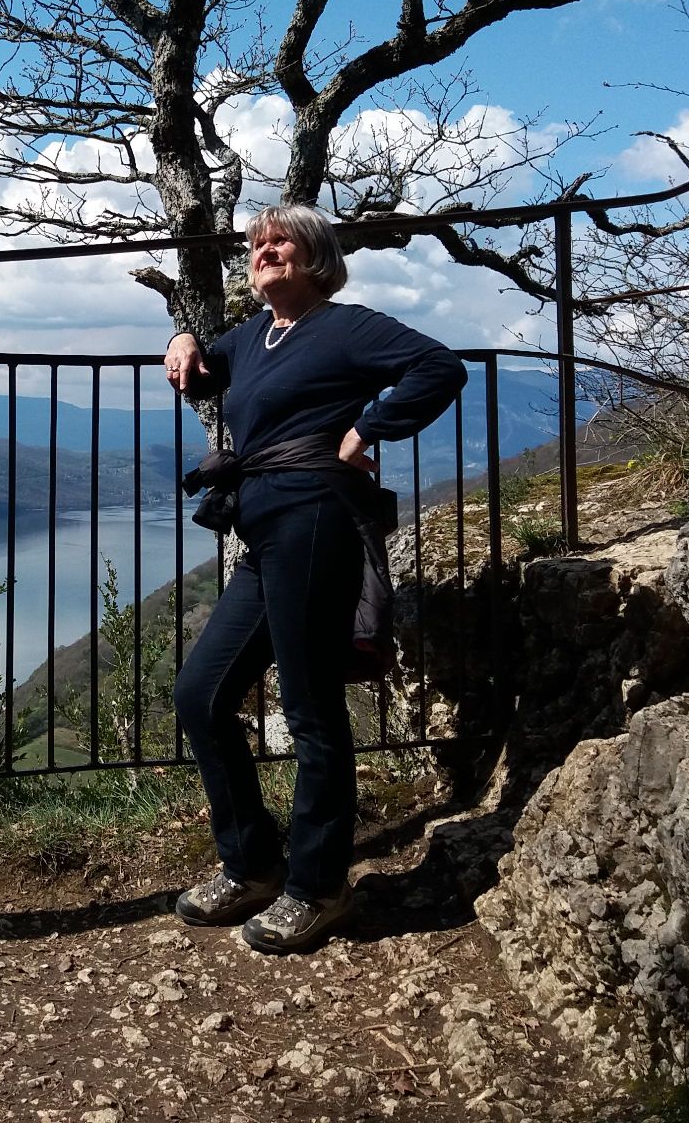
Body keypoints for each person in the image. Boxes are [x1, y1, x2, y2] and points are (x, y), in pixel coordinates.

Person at [163, 204, 465, 954]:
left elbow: (439, 367)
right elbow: (203, 364)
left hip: (315, 516)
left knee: (308, 706)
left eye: (281, 241)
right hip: (263, 526)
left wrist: (366, 429)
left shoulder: (345, 327)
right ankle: (253, 866)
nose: (265, 250)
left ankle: (318, 887)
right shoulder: (253, 336)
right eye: (258, 243)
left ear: (316, 256)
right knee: (200, 695)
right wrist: (182, 338)